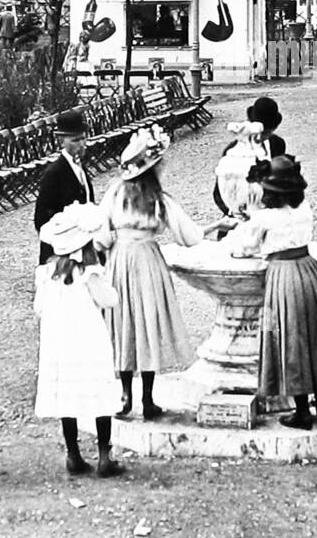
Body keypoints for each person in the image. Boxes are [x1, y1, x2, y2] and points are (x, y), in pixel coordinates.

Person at [226, 156, 317, 430]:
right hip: (310, 271)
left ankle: (302, 411)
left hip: (285, 276)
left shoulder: (264, 218)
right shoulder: (304, 208)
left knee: (291, 338)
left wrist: (245, 227)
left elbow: (243, 248)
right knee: (316, 336)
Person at [97, 126, 205, 419]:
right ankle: (147, 399)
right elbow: (189, 236)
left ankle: (124, 396)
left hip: (120, 260)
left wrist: (109, 248)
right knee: (146, 323)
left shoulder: (115, 193)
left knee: (123, 324)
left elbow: (100, 234)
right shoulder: (159, 198)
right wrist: (212, 230)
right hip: (146, 261)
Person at [34, 202, 125, 478]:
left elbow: (39, 308)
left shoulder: (46, 274)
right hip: (88, 337)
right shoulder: (89, 273)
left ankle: (73, 453)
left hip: (60, 340)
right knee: (99, 391)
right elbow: (110, 300)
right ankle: (104, 456)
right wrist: (103, 275)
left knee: (68, 395)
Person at [33, 110, 93, 265]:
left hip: (83, 244)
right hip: (62, 250)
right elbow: (41, 218)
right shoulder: (54, 173)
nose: (81, 145)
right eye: (75, 140)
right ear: (61, 141)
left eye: (83, 139)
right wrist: (59, 247)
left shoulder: (80, 166)